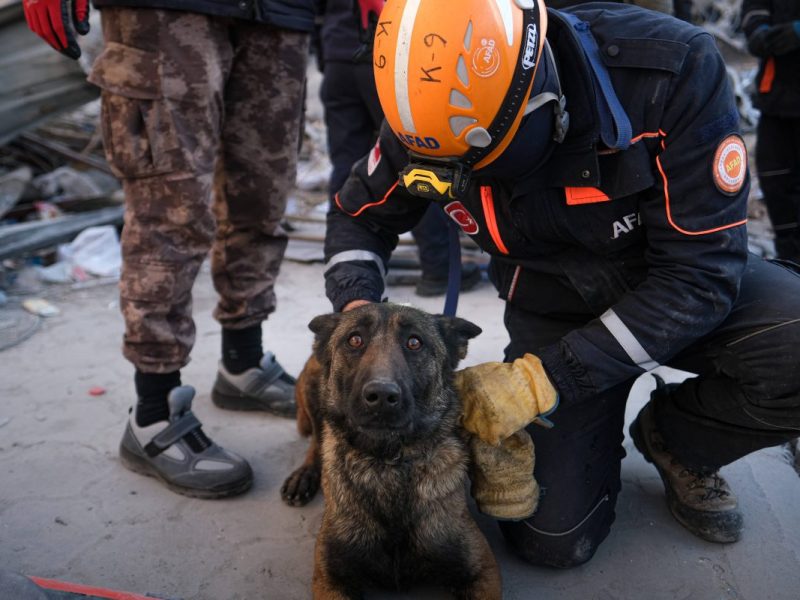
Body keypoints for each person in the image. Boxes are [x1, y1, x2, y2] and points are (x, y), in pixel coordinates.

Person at [322, 0, 800, 568]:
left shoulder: (669, 73)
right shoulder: (428, 111)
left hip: (680, 292)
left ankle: (680, 440)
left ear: (541, 98)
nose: (472, 182)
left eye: (488, 164)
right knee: (550, 541)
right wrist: (358, 320)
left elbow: (701, 275)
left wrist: (541, 381)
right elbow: (358, 215)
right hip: (552, 305)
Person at [23, 0, 313, 498]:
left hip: (282, 13)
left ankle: (242, 364)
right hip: (166, 10)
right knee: (170, 212)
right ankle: (153, 416)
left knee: (261, 197)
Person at [314, 0, 482, 297]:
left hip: (338, 53)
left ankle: (349, 266)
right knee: (416, 158)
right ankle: (437, 265)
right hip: (388, 59)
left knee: (350, 166)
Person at [742, 0, 800, 264]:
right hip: (776, 105)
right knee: (777, 187)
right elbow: (754, 26)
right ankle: (790, 268)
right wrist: (762, 34)